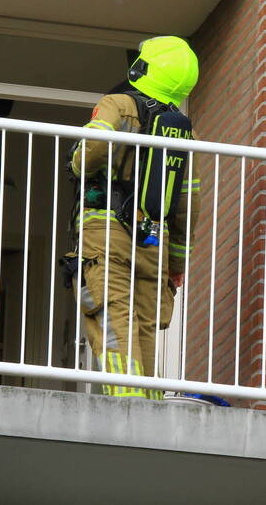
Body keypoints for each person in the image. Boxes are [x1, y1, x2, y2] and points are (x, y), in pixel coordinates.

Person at [69, 35, 201, 399]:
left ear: (144, 68)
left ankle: (126, 402)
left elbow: (91, 151)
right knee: (143, 324)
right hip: (154, 240)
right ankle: (150, 404)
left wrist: (77, 160)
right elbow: (189, 206)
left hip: (105, 229)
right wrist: (175, 265)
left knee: (112, 314)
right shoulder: (183, 131)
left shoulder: (119, 104)